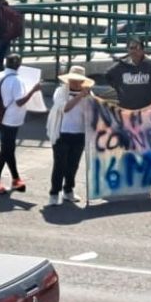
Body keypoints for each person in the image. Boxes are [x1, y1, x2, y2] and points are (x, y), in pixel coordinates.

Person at [0, 54, 41, 195]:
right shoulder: (17, 81)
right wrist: (33, 90)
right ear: (19, 65)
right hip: (11, 119)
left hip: (0, 116)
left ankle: (15, 178)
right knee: (6, 151)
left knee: (9, 149)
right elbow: (20, 102)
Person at [46, 65, 94, 206]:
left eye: (78, 80)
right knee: (59, 165)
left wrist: (89, 98)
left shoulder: (89, 95)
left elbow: (93, 113)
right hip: (61, 133)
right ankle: (54, 192)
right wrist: (80, 96)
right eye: (72, 79)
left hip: (79, 133)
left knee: (73, 165)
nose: (75, 82)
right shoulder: (60, 91)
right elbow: (65, 108)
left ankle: (68, 190)